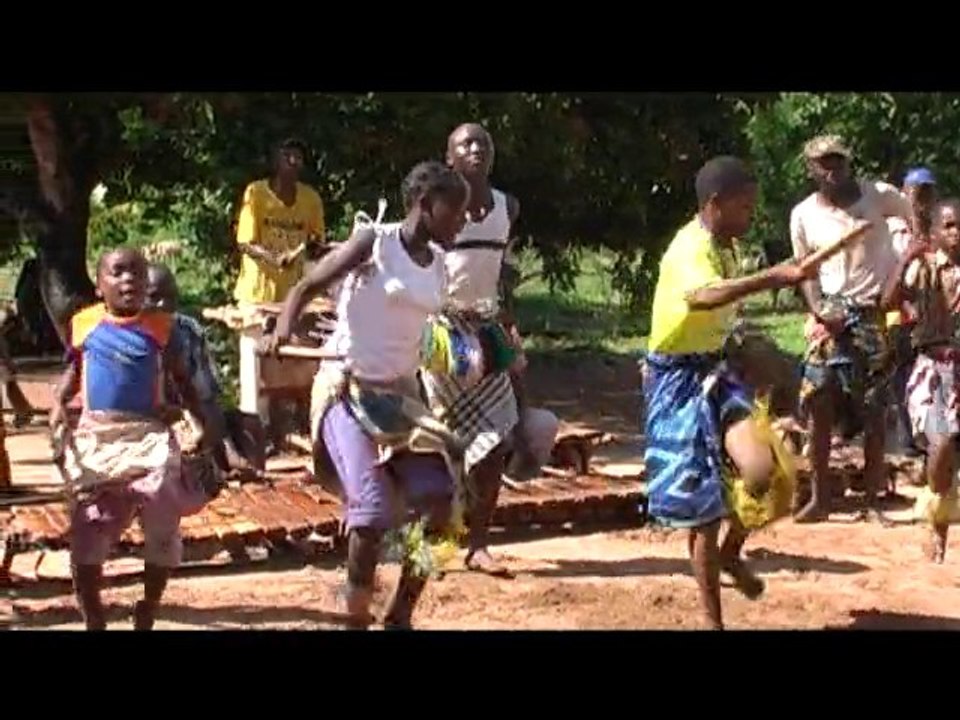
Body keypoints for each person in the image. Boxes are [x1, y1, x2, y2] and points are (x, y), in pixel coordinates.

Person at [270, 161, 470, 630]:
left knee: (442, 503)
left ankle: (401, 612)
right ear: (425, 205)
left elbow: (424, 331)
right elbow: (308, 283)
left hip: (401, 397)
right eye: (455, 211)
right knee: (371, 512)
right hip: (348, 390)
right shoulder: (373, 243)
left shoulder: (440, 263)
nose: (462, 220)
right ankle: (356, 616)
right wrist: (281, 329)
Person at [644, 155, 813, 630]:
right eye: (743, 207)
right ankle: (712, 621)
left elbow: (724, 313)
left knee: (765, 472)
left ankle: (730, 553)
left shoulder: (727, 246)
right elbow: (703, 296)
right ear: (714, 205)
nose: (749, 216)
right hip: (675, 383)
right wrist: (772, 277)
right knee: (703, 512)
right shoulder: (688, 248)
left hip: (714, 372)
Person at [51, 248, 208, 631]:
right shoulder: (84, 324)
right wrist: (57, 405)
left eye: (136, 273)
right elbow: (72, 375)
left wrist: (198, 422)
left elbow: (183, 381)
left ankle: (149, 605)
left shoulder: (160, 328)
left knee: (160, 501)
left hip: (146, 432)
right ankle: (94, 619)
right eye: (118, 273)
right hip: (96, 434)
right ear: (99, 284)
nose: (128, 281)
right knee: (88, 524)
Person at [419, 123, 538, 578]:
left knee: (494, 441)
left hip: (488, 328)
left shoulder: (508, 206)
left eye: (482, 142)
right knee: (444, 444)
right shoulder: (438, 209)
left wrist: (510, 330)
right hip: (444, 332)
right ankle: (441, 541)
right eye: (464, 144)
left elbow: (499, 274)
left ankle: (479, 543)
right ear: (449, 158)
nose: (475, 149)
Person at [790, 135, 914, 522]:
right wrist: (819, 311)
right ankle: (819, 498)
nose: (832, 170)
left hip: (870, 312)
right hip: (829, 316)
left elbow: (916, 224)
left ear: (849, 162)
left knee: (874, 406)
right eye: (823, 163)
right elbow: (804, 271)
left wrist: (900, 277)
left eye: (838, 162)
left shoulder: (878, 196)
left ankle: (873, 500)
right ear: (810, 168)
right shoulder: (803, 214)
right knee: (819, 402)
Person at [881, 198, 960, 562]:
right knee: (941, 442)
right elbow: (888, 301)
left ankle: (940, 526)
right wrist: (906, 259)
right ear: (935, 233)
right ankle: (934, 521)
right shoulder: (924, 269)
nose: (956, 233)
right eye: (949, 226)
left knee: (948, 455)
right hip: (935, 367)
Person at [145, 263, 253, 477]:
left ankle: (219, 456)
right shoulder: (121, 335)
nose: (164, 304)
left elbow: (206, 395)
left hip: (182, 414)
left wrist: (216, 443)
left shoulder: (187, 331)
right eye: (154, 297)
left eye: (171, 297)